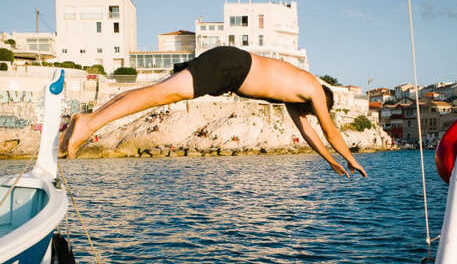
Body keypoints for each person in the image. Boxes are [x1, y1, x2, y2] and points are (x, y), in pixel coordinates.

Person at [59, 46, 367, 178]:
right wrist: (351, 159)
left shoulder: (294, 95)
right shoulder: (313, 88)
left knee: (159, 92)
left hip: (230, 70)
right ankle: (88, 124)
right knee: (161, 94)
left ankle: (85, 121)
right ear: (322, 102)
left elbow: (309, 133)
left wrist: (331, 162)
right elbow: (329, 130)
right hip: (231, 67)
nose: (313, 114)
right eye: (317, 110)